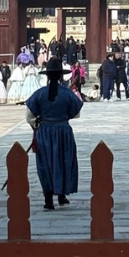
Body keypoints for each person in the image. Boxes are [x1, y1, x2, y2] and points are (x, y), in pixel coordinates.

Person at [25, 57, 83, 210]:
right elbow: (76, 114)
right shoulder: (68, 94)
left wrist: (37, 124)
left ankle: (48, 199)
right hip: (63, 131)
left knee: (46, 164)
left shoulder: (39, 94)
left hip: (44, 132)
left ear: (47, 75)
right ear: (61, 76)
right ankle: (62, 195)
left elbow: (29, 116)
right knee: (64, 162)